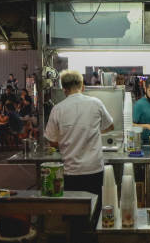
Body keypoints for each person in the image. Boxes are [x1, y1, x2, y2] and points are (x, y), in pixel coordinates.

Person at [44, 70, 114, 206]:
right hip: (94, 169)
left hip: (71, 172)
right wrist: (93, 131)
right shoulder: (96, 103)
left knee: (75, 210)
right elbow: (110, 126)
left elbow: (52, 141)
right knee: (95, 210)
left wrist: (66, 140)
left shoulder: (58, 109)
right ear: (83, 87)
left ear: (64, 89)